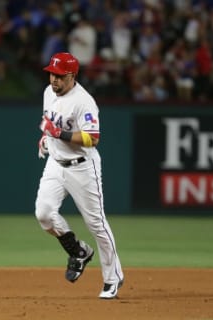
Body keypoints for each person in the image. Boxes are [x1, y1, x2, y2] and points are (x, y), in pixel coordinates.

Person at [35, 52, 124, 299]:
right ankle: (78, 251)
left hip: (83, 166)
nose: (54, 79)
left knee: (96, 224)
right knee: (43, 214)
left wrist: (59, 134)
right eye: (52, 74)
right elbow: (48, 122)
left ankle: (112, 278)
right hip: (55, 163)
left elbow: (92, 138)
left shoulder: (83, 101)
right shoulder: (48, 92)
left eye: (60, 76)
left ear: (72, 76)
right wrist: (45, 138)